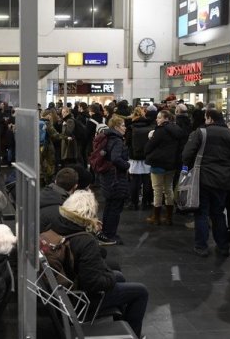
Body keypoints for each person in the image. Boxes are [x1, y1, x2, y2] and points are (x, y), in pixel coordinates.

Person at [45, 190, 148, 338]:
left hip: (67, 286)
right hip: (82, 300)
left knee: (118, 275)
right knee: (140, 291)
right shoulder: (85, 241)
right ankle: (134, 334)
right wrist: (109, 277)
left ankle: (120, 320)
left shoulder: (55, 225)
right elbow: (94, 283)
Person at [182, 110, 230, 257]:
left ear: (209, 118)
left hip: (202, 179)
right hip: (222, 180)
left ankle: (201, 246)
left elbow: (187, 154)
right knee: (218, 213)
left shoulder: (201, 132)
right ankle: (223, 247)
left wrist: (186, 168)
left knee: (201, 213)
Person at [144, 110, 186, 225]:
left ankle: (156, 217)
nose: (157, 120)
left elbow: (149, 147)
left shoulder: (160, 131)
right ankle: (169, 217)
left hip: (158, 164)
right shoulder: (178, 131)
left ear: (166, 118)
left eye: (159, 117)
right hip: (172, 165)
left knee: (157, 190)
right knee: (168, 189)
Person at [96, 116, 130, 245]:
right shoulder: (117, 140)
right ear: (116, 127)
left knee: (109, 207)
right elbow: (116, 158)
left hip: (108, 177)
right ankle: (110, 235)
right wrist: (127, 165)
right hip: (116, 179)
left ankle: (106, 233)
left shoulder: (108, 137)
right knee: (115, 208)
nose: (125, 127)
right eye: (123, 125)